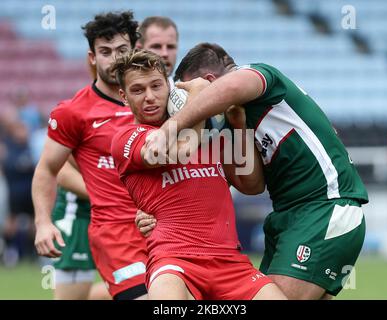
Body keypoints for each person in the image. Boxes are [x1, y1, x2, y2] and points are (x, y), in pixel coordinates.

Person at [142, 43, 369, 299]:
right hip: (288, 218)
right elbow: (251, 185)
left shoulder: (258, 76)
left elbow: (232, 86)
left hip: (324, 207)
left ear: (209, 81)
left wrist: (170, 128)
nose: (190, 102)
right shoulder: (231, 122)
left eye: (192, 91)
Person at [110, 49, 286, 300]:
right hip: (174, 261)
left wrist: (238, 124)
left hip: (230, 263)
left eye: (156, 86)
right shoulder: (127, 139)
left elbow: (252, 184)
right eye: (138, 90)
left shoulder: (211, 136)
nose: (150, 97)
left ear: (170, 88)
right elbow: (177, 152)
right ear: (124, 97)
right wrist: (199, 102)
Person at [32, 11, 148, 300]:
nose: (115, 59)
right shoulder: (74, 112)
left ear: (135, 50)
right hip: (116, 232)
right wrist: (43, 223)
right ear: (92, 57)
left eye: (122, 50)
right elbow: (48, 169)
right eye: (105, 52)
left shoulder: (154, 100)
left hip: (160, 226)